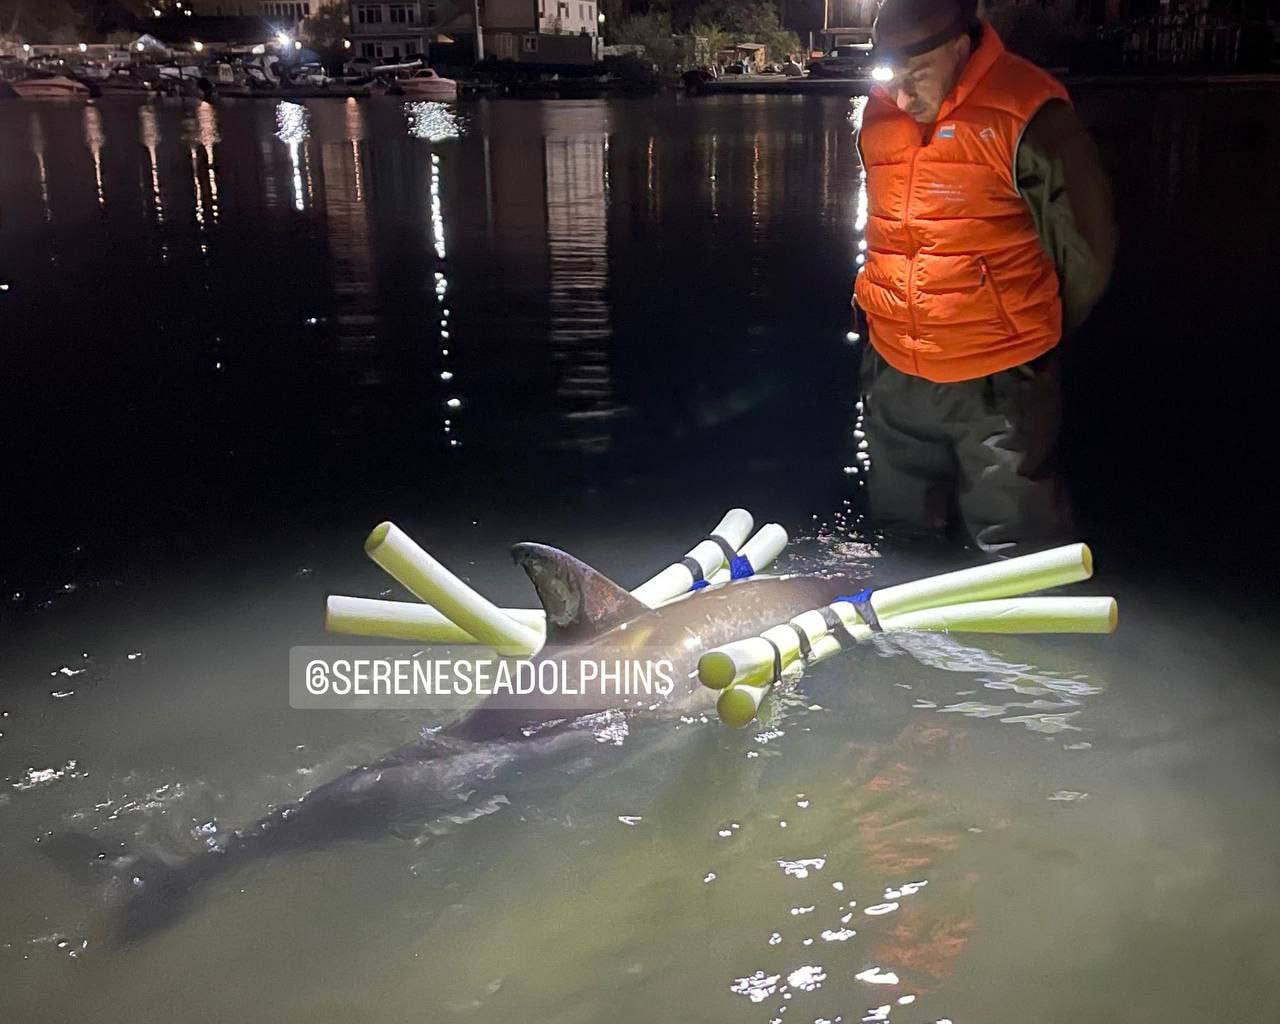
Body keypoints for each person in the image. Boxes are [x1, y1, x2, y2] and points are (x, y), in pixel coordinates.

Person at [851, 0, 1116, 555]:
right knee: (900, 542)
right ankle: (906, 643)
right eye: (888, 76)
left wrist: (1024, 330)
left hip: (998, 382)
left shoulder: (1030, 111)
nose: (900, 97)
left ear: (961, 46)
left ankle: (1026, 636)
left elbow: (1086, 250)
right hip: (896, 373)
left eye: (916, 75)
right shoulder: (879, 115)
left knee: (1017, 549)